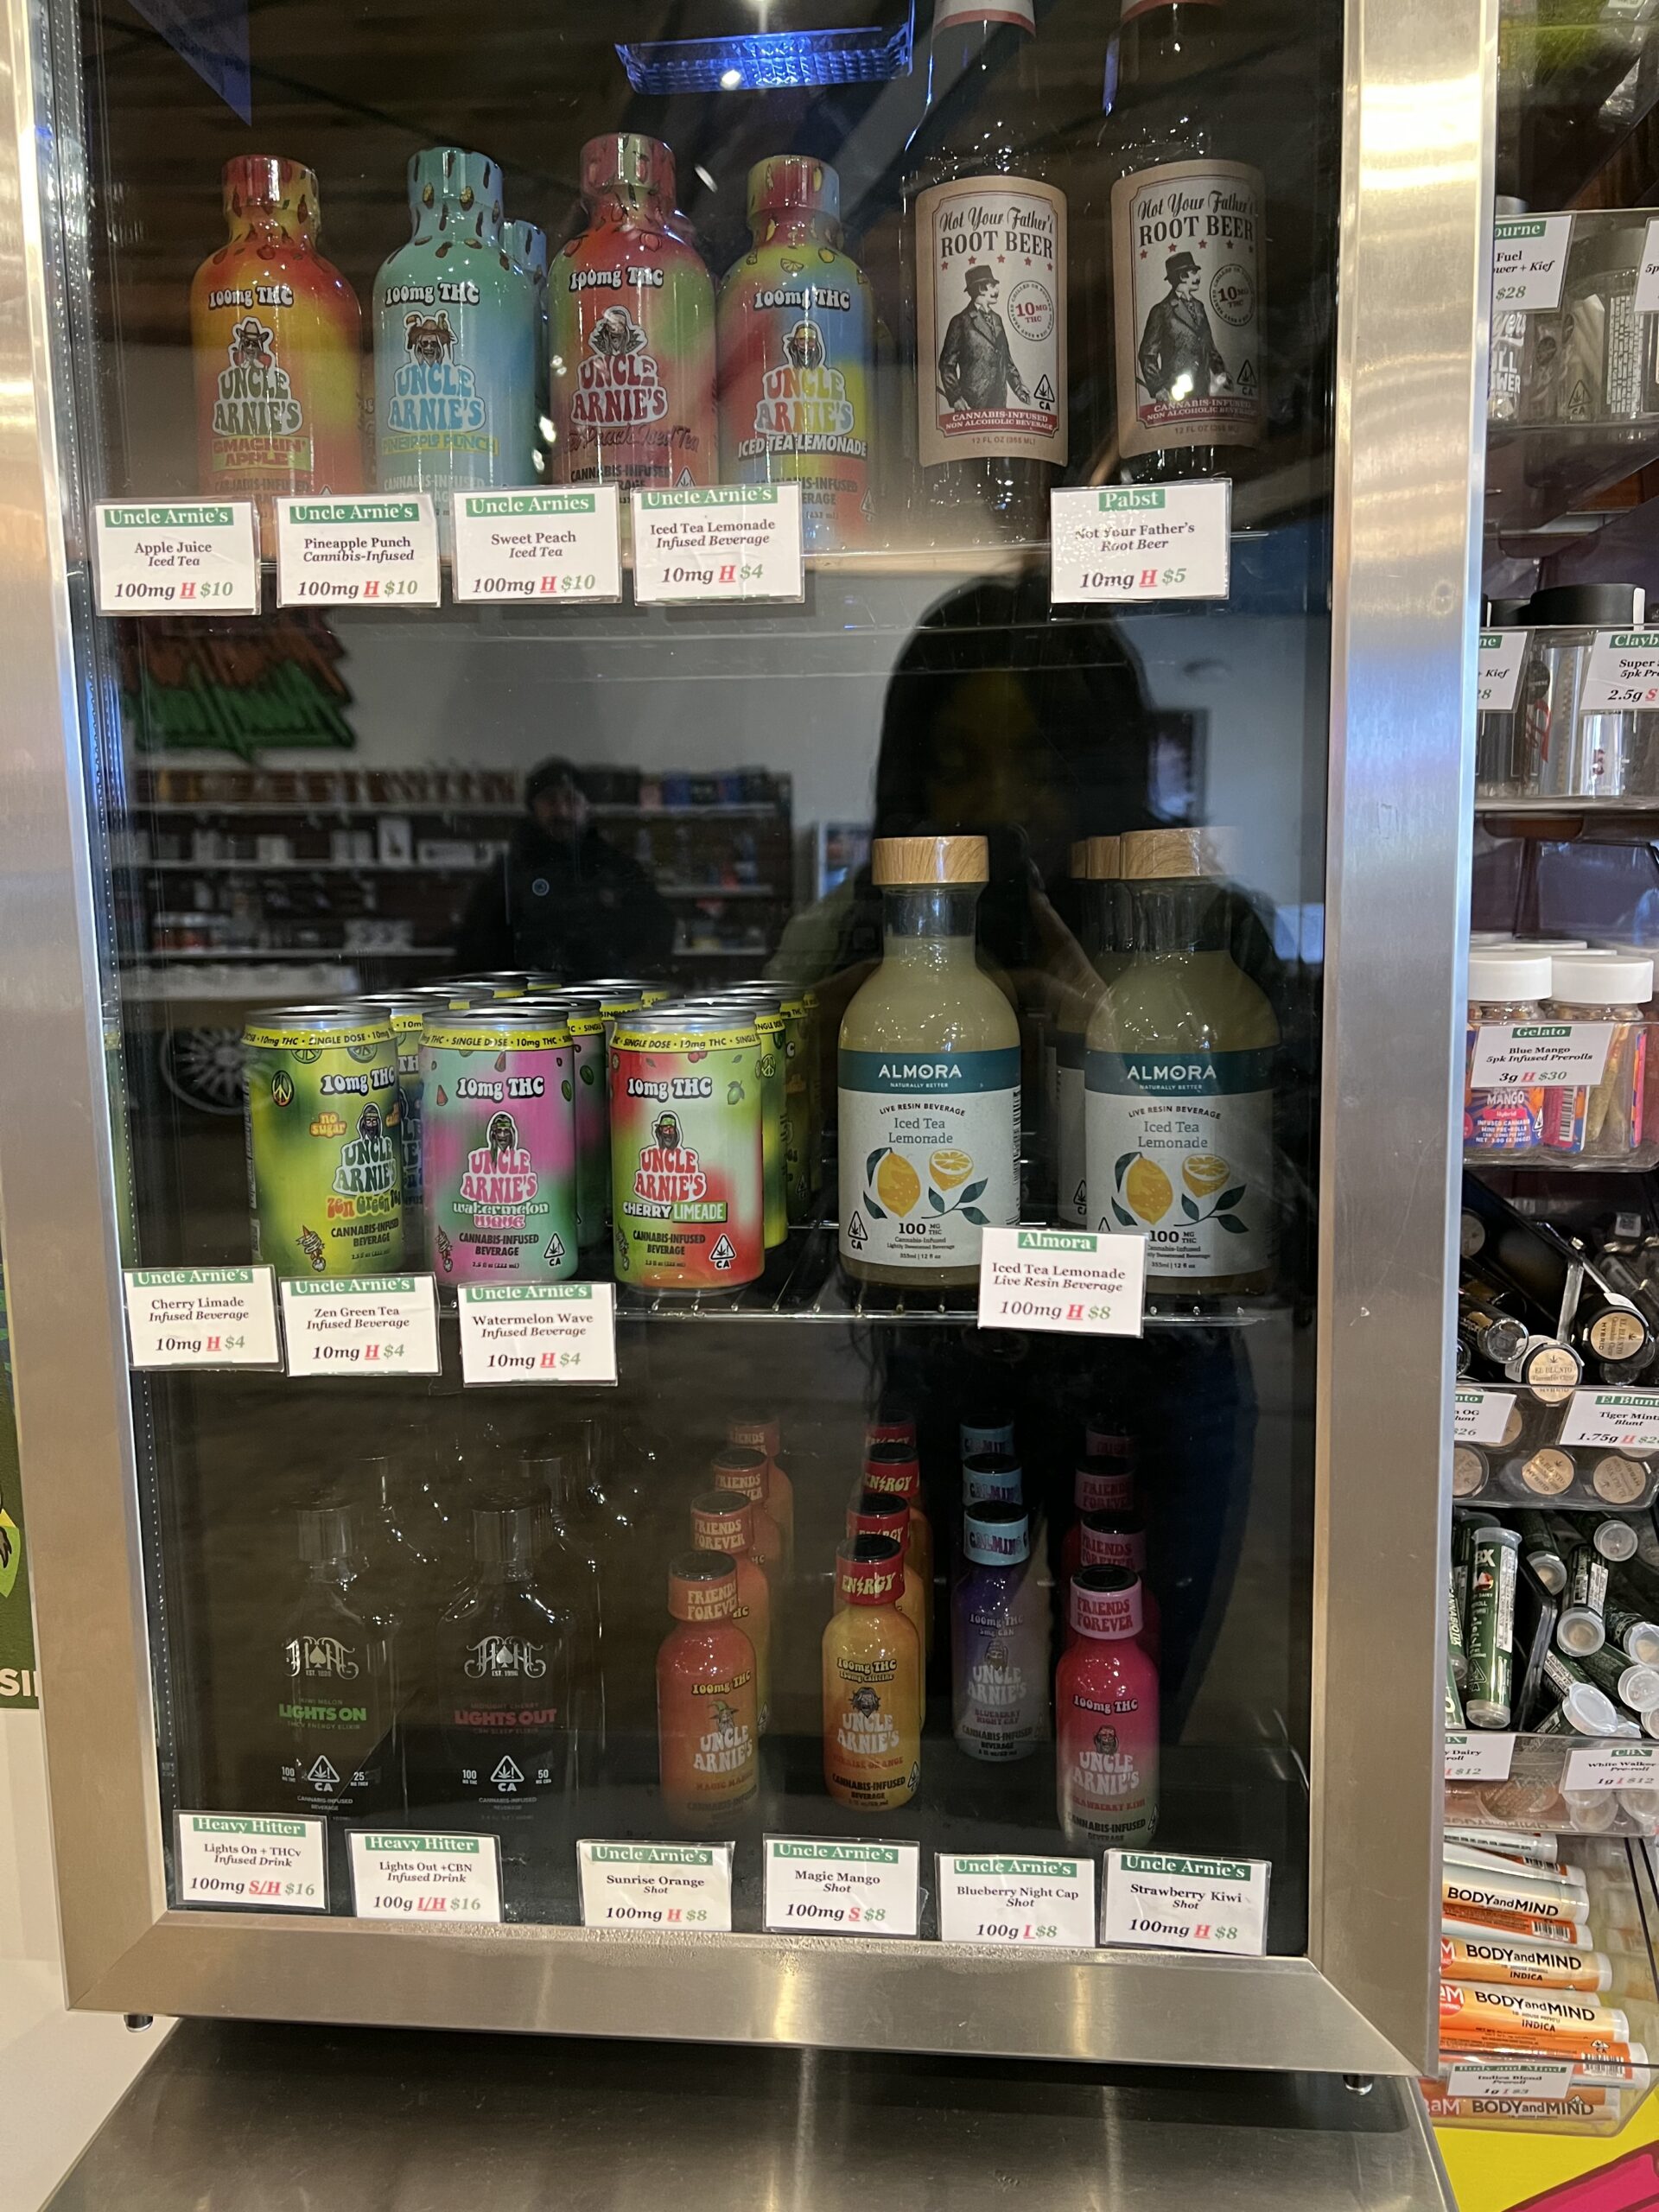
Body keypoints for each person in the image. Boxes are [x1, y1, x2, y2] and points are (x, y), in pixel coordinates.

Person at [454, 758, 674, 980]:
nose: (561, 811)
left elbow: (658, 929)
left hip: (604, 998)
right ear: (533, 808)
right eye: (550, 801)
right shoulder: (508, 873)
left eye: (571, 800)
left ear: (586, 806)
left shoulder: (614, 866)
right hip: (530, 1001)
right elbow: (474, 948)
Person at [1136, 250, 1228, 410]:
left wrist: (1221, 373)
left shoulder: (1199, 307)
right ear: (1182, 276)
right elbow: (1147, 354)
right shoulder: (1161, 311)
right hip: (1173, 396)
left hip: (1202, 390)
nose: (1198, 277)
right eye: (1194, 273)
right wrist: (1157, 388)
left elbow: (1209, 345)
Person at [937, 264, 1032, 414]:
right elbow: (947, 365)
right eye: (992, 286)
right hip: (972, 405)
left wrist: (1019, 387)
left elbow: (1006, 359)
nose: (997, 290)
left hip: (999, 403)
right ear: (981, 289)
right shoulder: (960, 321)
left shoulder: (997, 319)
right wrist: (955, 397)